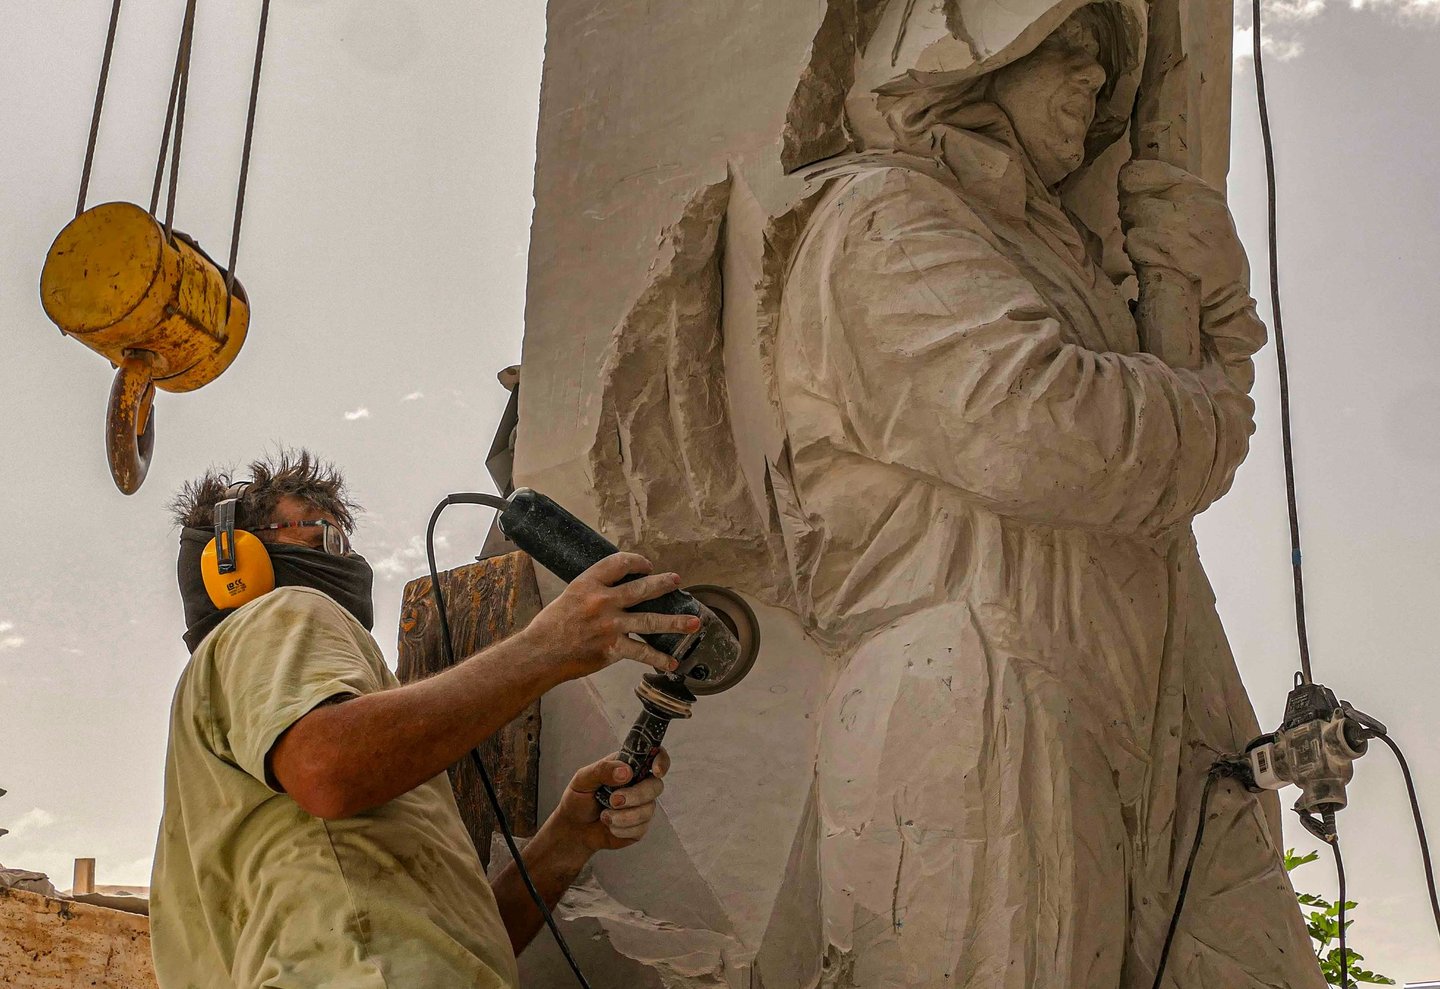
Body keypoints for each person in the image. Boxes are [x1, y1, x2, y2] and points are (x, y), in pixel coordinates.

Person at [775, 1, 1327, 986]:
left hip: (1142, 690)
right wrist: (1210, 389)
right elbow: (1048, 433)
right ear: (983, 60)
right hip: (987, 693)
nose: (1098, 82)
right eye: (1068, 50)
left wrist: (1215, 313)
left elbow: (1164, 461)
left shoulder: (1059, 258)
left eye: (1108, 64)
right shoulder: (887, 220)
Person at [150, 450, 696, 987]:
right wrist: (547, 648)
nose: (347, 562)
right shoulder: (279, 612)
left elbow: (448, 949)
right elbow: (327, 769)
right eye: (326, 536)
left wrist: (567, 840)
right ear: (232, 561)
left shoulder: (242, 745)